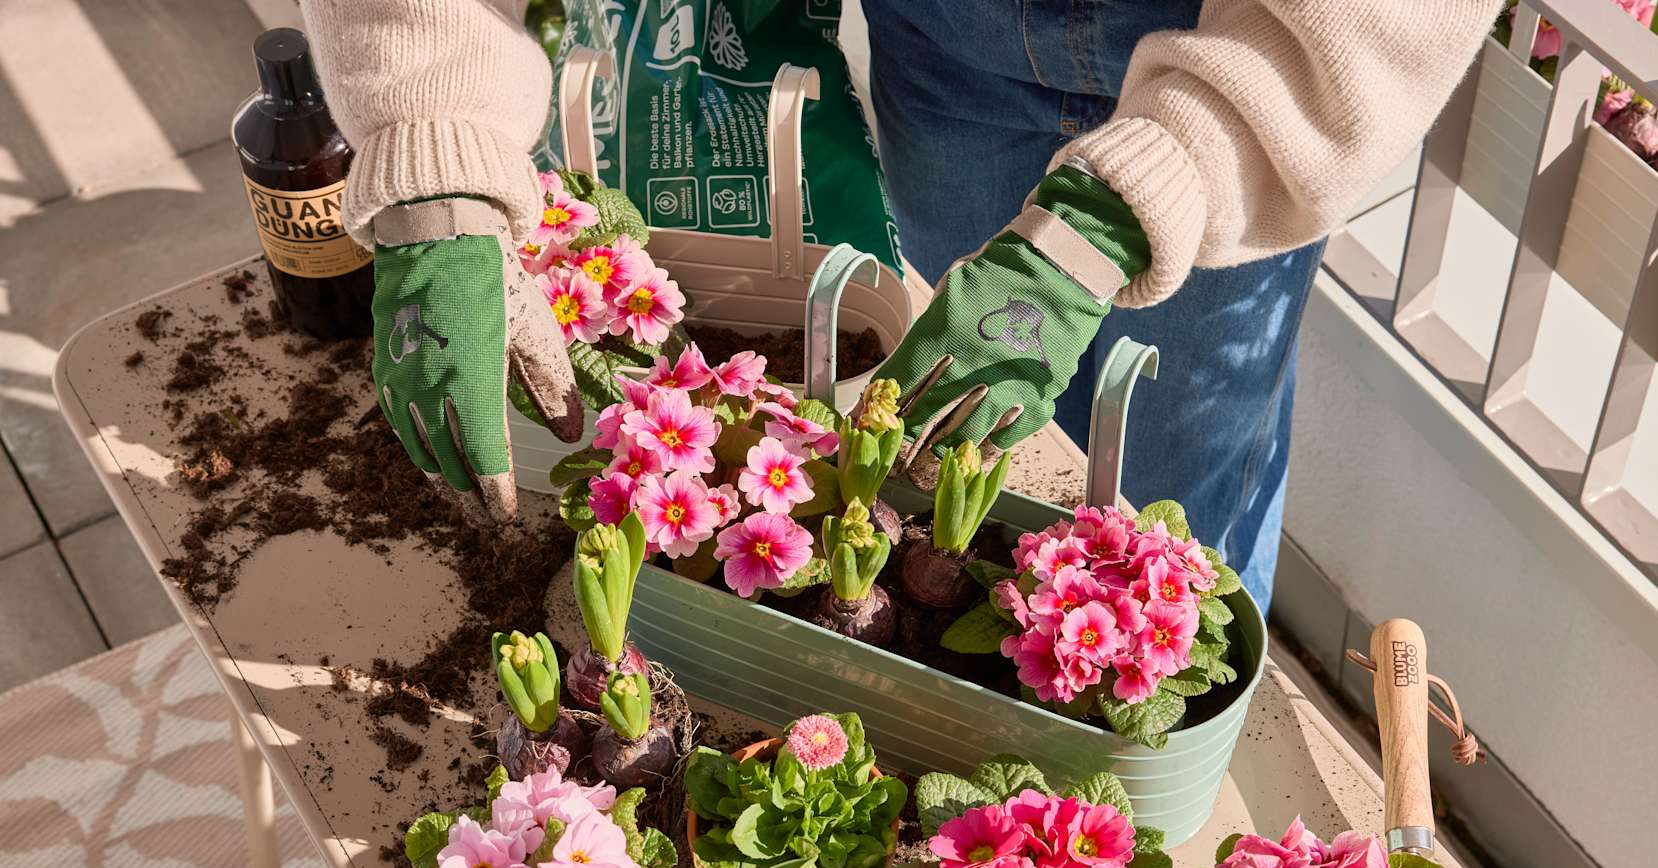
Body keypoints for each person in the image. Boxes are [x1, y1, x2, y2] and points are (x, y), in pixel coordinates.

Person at [305, 0, 1496, 608]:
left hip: (1242, 47)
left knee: (1165, 529)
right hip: (947, 48)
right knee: (956, 460)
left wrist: (1139, 199)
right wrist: (432, 146)